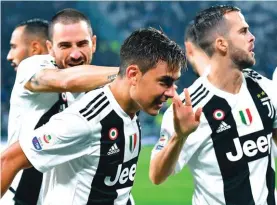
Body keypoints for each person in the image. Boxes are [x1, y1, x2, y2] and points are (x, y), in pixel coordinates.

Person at [1, 27, 189, 205]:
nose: (172, 93)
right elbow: (9, 160)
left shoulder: (130, 111)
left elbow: (116, 191)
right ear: (133, 74)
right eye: (165, 82)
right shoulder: (86, 120)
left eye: (174, 83)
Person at [150, 5, 277, 205]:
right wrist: (180, 136)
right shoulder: (191, 106)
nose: (252, 37)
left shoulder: (263, 88)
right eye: (243, 31)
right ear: (221, 44)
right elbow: (156, 175)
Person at [6, 9, 119, 205]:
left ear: (93, 43)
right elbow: (66, 80)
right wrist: (131, 75)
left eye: (82, 43)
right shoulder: (32, 66)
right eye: (65, 45)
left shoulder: (93, 84)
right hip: (18, 194)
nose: (75, 53)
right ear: (49, 48)